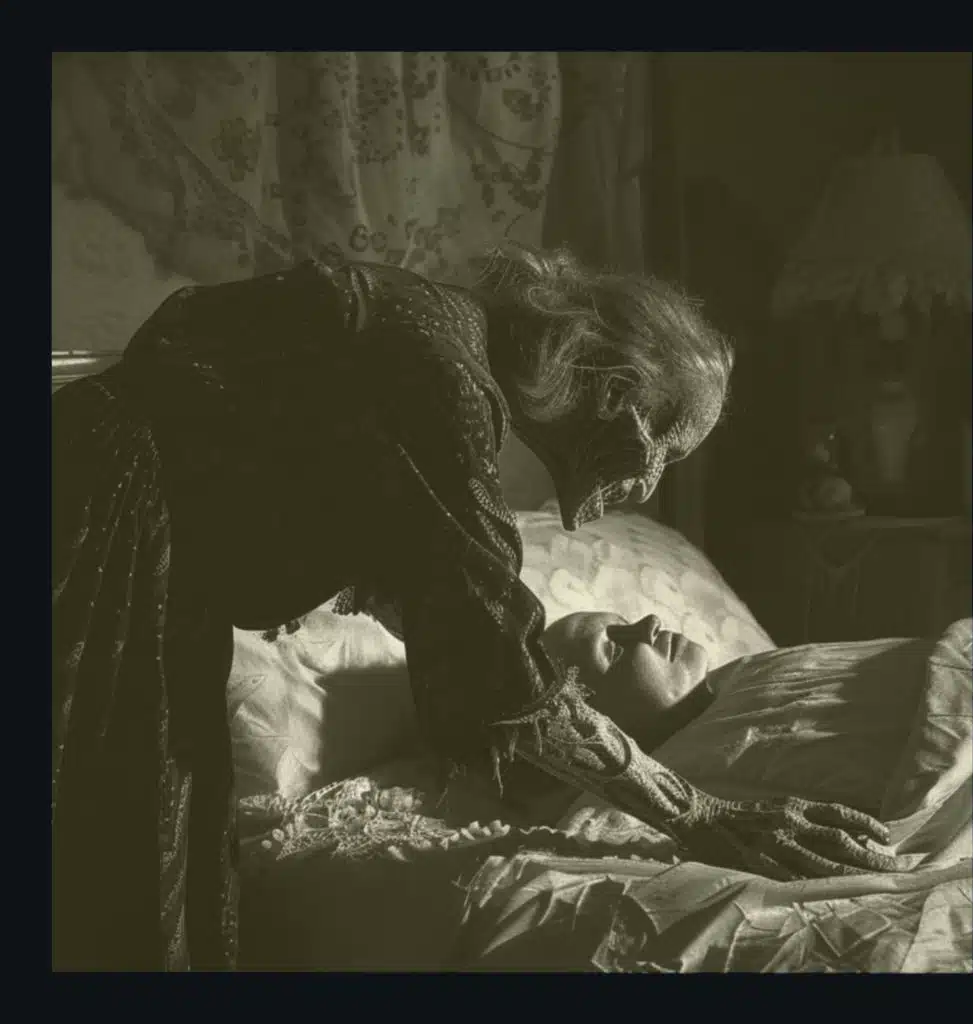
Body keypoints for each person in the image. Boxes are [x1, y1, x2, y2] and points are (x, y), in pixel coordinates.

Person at [52, 244, 896, 971]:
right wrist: (698, 813)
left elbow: (445, 598)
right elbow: (504, 671)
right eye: (665, 451)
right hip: (90, 538)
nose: (647, 486)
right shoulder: (447, 383)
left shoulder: (440, 348)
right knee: (106, 862)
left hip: (128, 541)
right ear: (616, 398)